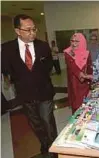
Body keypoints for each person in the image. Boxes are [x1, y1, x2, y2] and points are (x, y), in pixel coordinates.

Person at [1, 14, 57, 158]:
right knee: (35, 124)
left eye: (34, 29)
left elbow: (49, 66)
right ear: (17, 31)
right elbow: (6, 69)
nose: (32, 33)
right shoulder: (7, 49)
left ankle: (54, 149)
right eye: (28, 30)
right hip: (24, 95)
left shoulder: (43, 46)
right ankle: (44, 144)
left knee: (47, 121)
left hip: (44, 92)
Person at [64, 33, 93, 113]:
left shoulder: (87, 53)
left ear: (82, 42)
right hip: (74, 84)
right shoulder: (68, 53)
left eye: (77, 41)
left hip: (85, 84)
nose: (73, 44)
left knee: (86, 106)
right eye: (72, 41)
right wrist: (82, 75)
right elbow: (73, 66)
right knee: (76, 106)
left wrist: (91, 85)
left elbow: (90, 68)